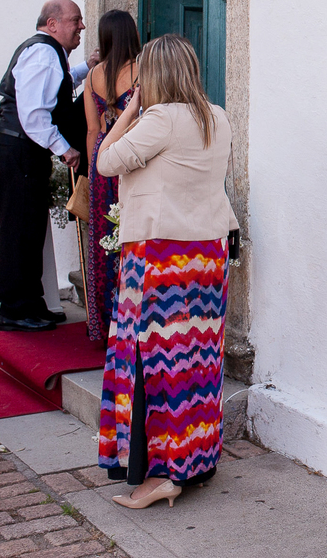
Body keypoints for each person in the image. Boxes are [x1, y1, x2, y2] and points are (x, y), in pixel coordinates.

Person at [95, 33, 238, 510]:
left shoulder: (159, 118)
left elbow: (105, 160)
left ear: (152, 76)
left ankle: (161, 474)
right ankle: (196, 459)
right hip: (206, 255)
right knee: (196, 360)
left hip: (160, 257)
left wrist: (132, 109)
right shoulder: (216, 117)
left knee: (154, 364)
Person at [0, 0, 92, 332]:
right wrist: (66, 149)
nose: (81, 26)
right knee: (20, 229)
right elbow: (34, 114)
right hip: (17, 148)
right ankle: (14, 310)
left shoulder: (49, 54)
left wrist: (87, 68)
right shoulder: (44, 53)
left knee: (29, 228)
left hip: (17, 148)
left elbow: (53, 90)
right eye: (76, 20)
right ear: (52, 24)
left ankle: (30, 304)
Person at [83, 10, 142, 343]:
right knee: (130, 236)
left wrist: (94, 173)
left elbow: (93, 130)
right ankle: (129, 322)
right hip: (130, 157)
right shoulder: (138, 71)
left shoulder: (93, 76)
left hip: (101, 159)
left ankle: (103, 324)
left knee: (103, 240)